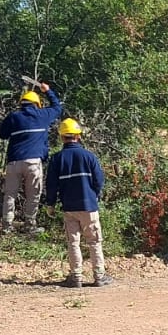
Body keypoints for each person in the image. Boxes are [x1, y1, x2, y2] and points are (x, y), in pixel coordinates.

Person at [43, 118, 110, 288]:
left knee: (73, 242)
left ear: (61, 137)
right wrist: (93, 195)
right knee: (94, 241)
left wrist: (50, 203)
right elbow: (99, 181)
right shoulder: (89, 156)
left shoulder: (57, 159)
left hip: (69, 207)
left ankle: (76, 277)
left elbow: (51, 184)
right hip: (89, 207)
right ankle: (99, 276)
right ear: (78, 136)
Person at [0, 81, 63, 233]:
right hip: (33, 162)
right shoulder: (43, 115)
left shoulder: (13, 116)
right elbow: (57, 107)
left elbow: (2, 134)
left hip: (14, 162)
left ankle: (7, 226)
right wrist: (48, 91)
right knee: (33, 194)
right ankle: (30, 225)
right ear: (37, 104)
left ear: (21, 103)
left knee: (10, 194)